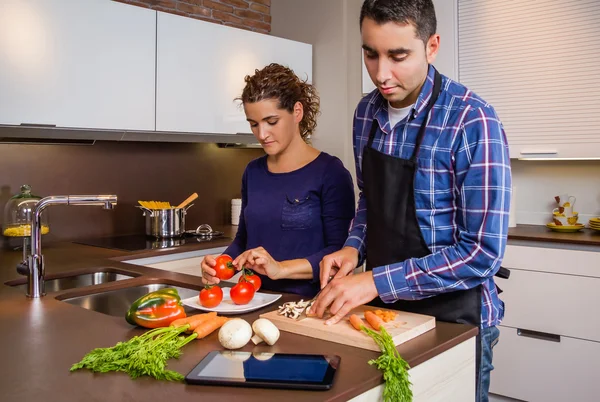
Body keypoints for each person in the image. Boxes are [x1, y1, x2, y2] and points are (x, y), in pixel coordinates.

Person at [310, 1, 511, 401]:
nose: (381, 74)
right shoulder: (365, 113)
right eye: (370, 53)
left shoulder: (472, 120)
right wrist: (353, 249)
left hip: (458, 319)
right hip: (386, 317)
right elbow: (371, 198)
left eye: (398, 55)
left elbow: (481, 254)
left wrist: (374, 280)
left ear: (431, 46)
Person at [201, 63, 356, 298]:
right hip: (253, 300)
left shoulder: (330, 173)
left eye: (271, 121)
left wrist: (280, 269)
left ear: (297, 112)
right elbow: (244, 239)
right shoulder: (252, 172)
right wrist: (220, 264)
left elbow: (338, 253)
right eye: (254, 124)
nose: (261, 134)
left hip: (308, 305)